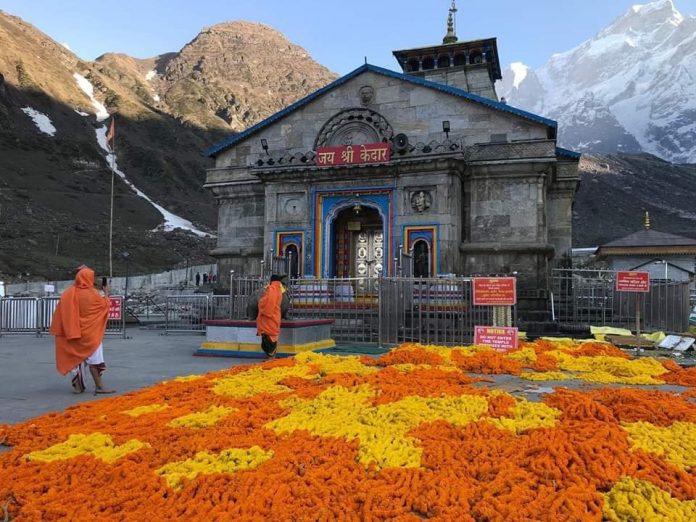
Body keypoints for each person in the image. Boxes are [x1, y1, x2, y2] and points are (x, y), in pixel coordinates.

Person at [50, 266, 115, 395]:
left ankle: (78, 386)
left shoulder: (68, 293)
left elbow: (60, 313)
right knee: (95, 360)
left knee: (76, 360)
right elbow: (105, 305)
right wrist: (106, 292)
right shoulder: (93, 294)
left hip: (72, 332)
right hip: (91, 334)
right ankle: (99, 386)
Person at [256, 274, 286, 357]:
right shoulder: (278, 289)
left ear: (271, 281)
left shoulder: (272, 289)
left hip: (269, 317)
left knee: (269, 340)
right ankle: (271, 357)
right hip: (274, 316)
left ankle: (271, 358)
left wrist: (261, 303)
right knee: (271, 338)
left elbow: (270, 302)